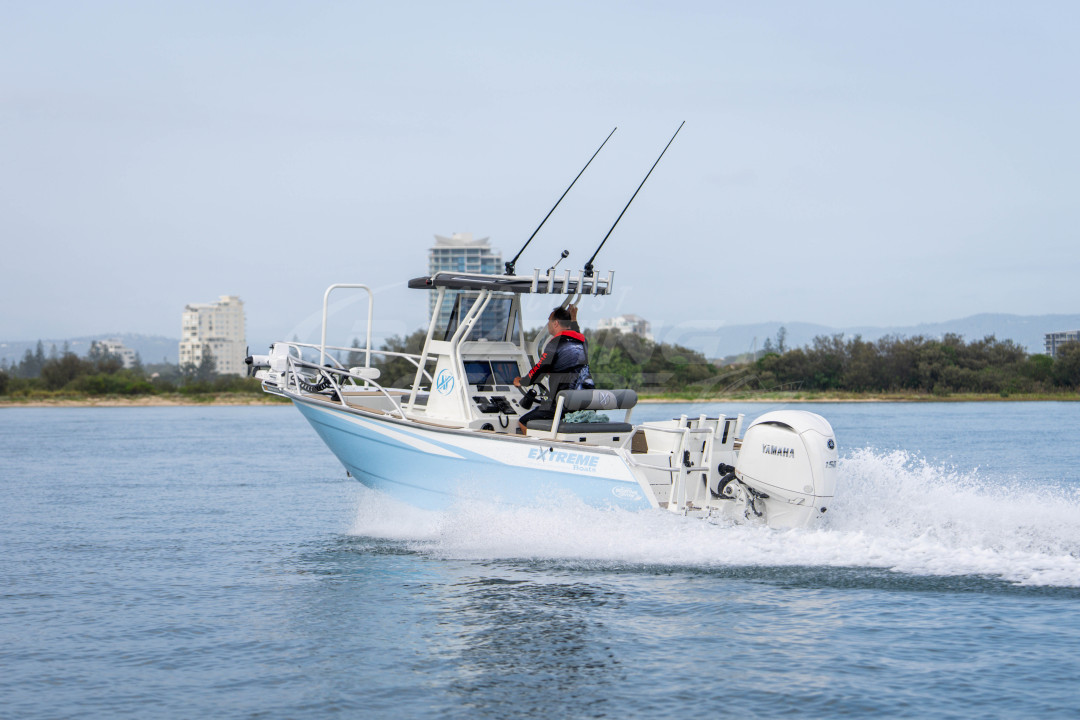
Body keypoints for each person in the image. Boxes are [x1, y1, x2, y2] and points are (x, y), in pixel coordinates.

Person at [513, 305, 594, 434]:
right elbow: (575, 333)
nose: (548, 324)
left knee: (524, 422)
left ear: (555, 323)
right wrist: (573, 318)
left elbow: (539, 369)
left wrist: (522, 381)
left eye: (549, 321)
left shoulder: (555, 343)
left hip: (565, 402)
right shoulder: (582, 341)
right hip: (587, 399)